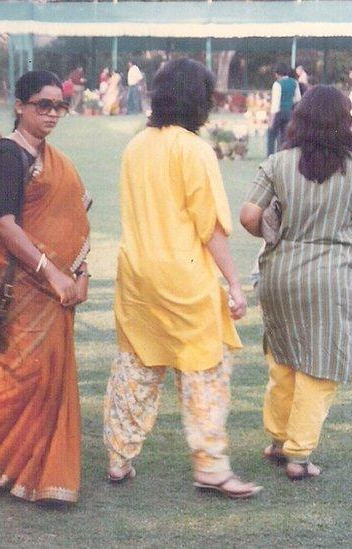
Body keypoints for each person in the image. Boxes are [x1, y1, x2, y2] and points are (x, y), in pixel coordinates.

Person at [105, 58, 262, 499]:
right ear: (200, 100)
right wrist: (233, 283)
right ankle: (211, 467)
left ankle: (118, 458)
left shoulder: (136, 145)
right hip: (182, 280)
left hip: (135, 275)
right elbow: (208, 225)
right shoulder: (193, 149)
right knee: (205, 372)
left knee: (136, 368)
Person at [0, 70, 89, 504]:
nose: (52, 113)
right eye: (42, 105)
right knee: (22, 376)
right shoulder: (8, 155)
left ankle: (34, 470)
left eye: (59, 106)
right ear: (20, 106)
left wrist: (80, 274)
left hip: (55, 289)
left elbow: (76, 219)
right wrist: (51, 272)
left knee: (46, 374)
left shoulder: (55, 160)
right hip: (22, 286)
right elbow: (4, 224)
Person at [239, 85, 352, 480]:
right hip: (332, 276)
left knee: (283, 359)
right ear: (345, 123)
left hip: (280, 272)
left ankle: (278, 441)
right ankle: (299, 456)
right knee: (320, 366)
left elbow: (249, 215)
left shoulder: (278, 163)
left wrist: (274, 236)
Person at [267, 63, 301, 156]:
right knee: (285, 136)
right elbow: (297, 99)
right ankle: (283, 155)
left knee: (271, 135)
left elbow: (275, 104)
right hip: (289, 112)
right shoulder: (295, 83)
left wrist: (271, 120)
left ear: (277, 74)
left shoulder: (277, 84)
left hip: (278, 113)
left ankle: (270, 155)